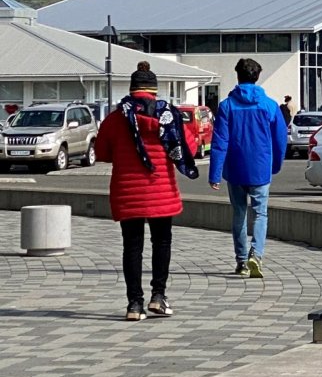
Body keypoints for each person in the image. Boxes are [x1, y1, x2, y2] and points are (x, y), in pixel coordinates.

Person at [95, 62, 199, 320]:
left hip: (127, 191)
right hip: (161, 190)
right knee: (161, 242)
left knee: (132, 247)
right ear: (154, 91)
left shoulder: (116, 118)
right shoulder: (170, 115)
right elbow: (189, 150)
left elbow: (102, 153)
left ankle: (134, 304)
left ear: (131, 90)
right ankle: (158, 296)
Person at [209, 58, 288, 279]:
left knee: (239, 214)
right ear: (257, 76)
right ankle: (257, 254)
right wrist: (276, 164)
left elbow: (220, 142)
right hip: (261, 168)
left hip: (235, 169)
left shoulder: (227, 106)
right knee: (260, 213)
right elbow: (280, 139)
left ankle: (242, 261)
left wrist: (215, 173)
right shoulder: (270, 105)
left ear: (238, 76)